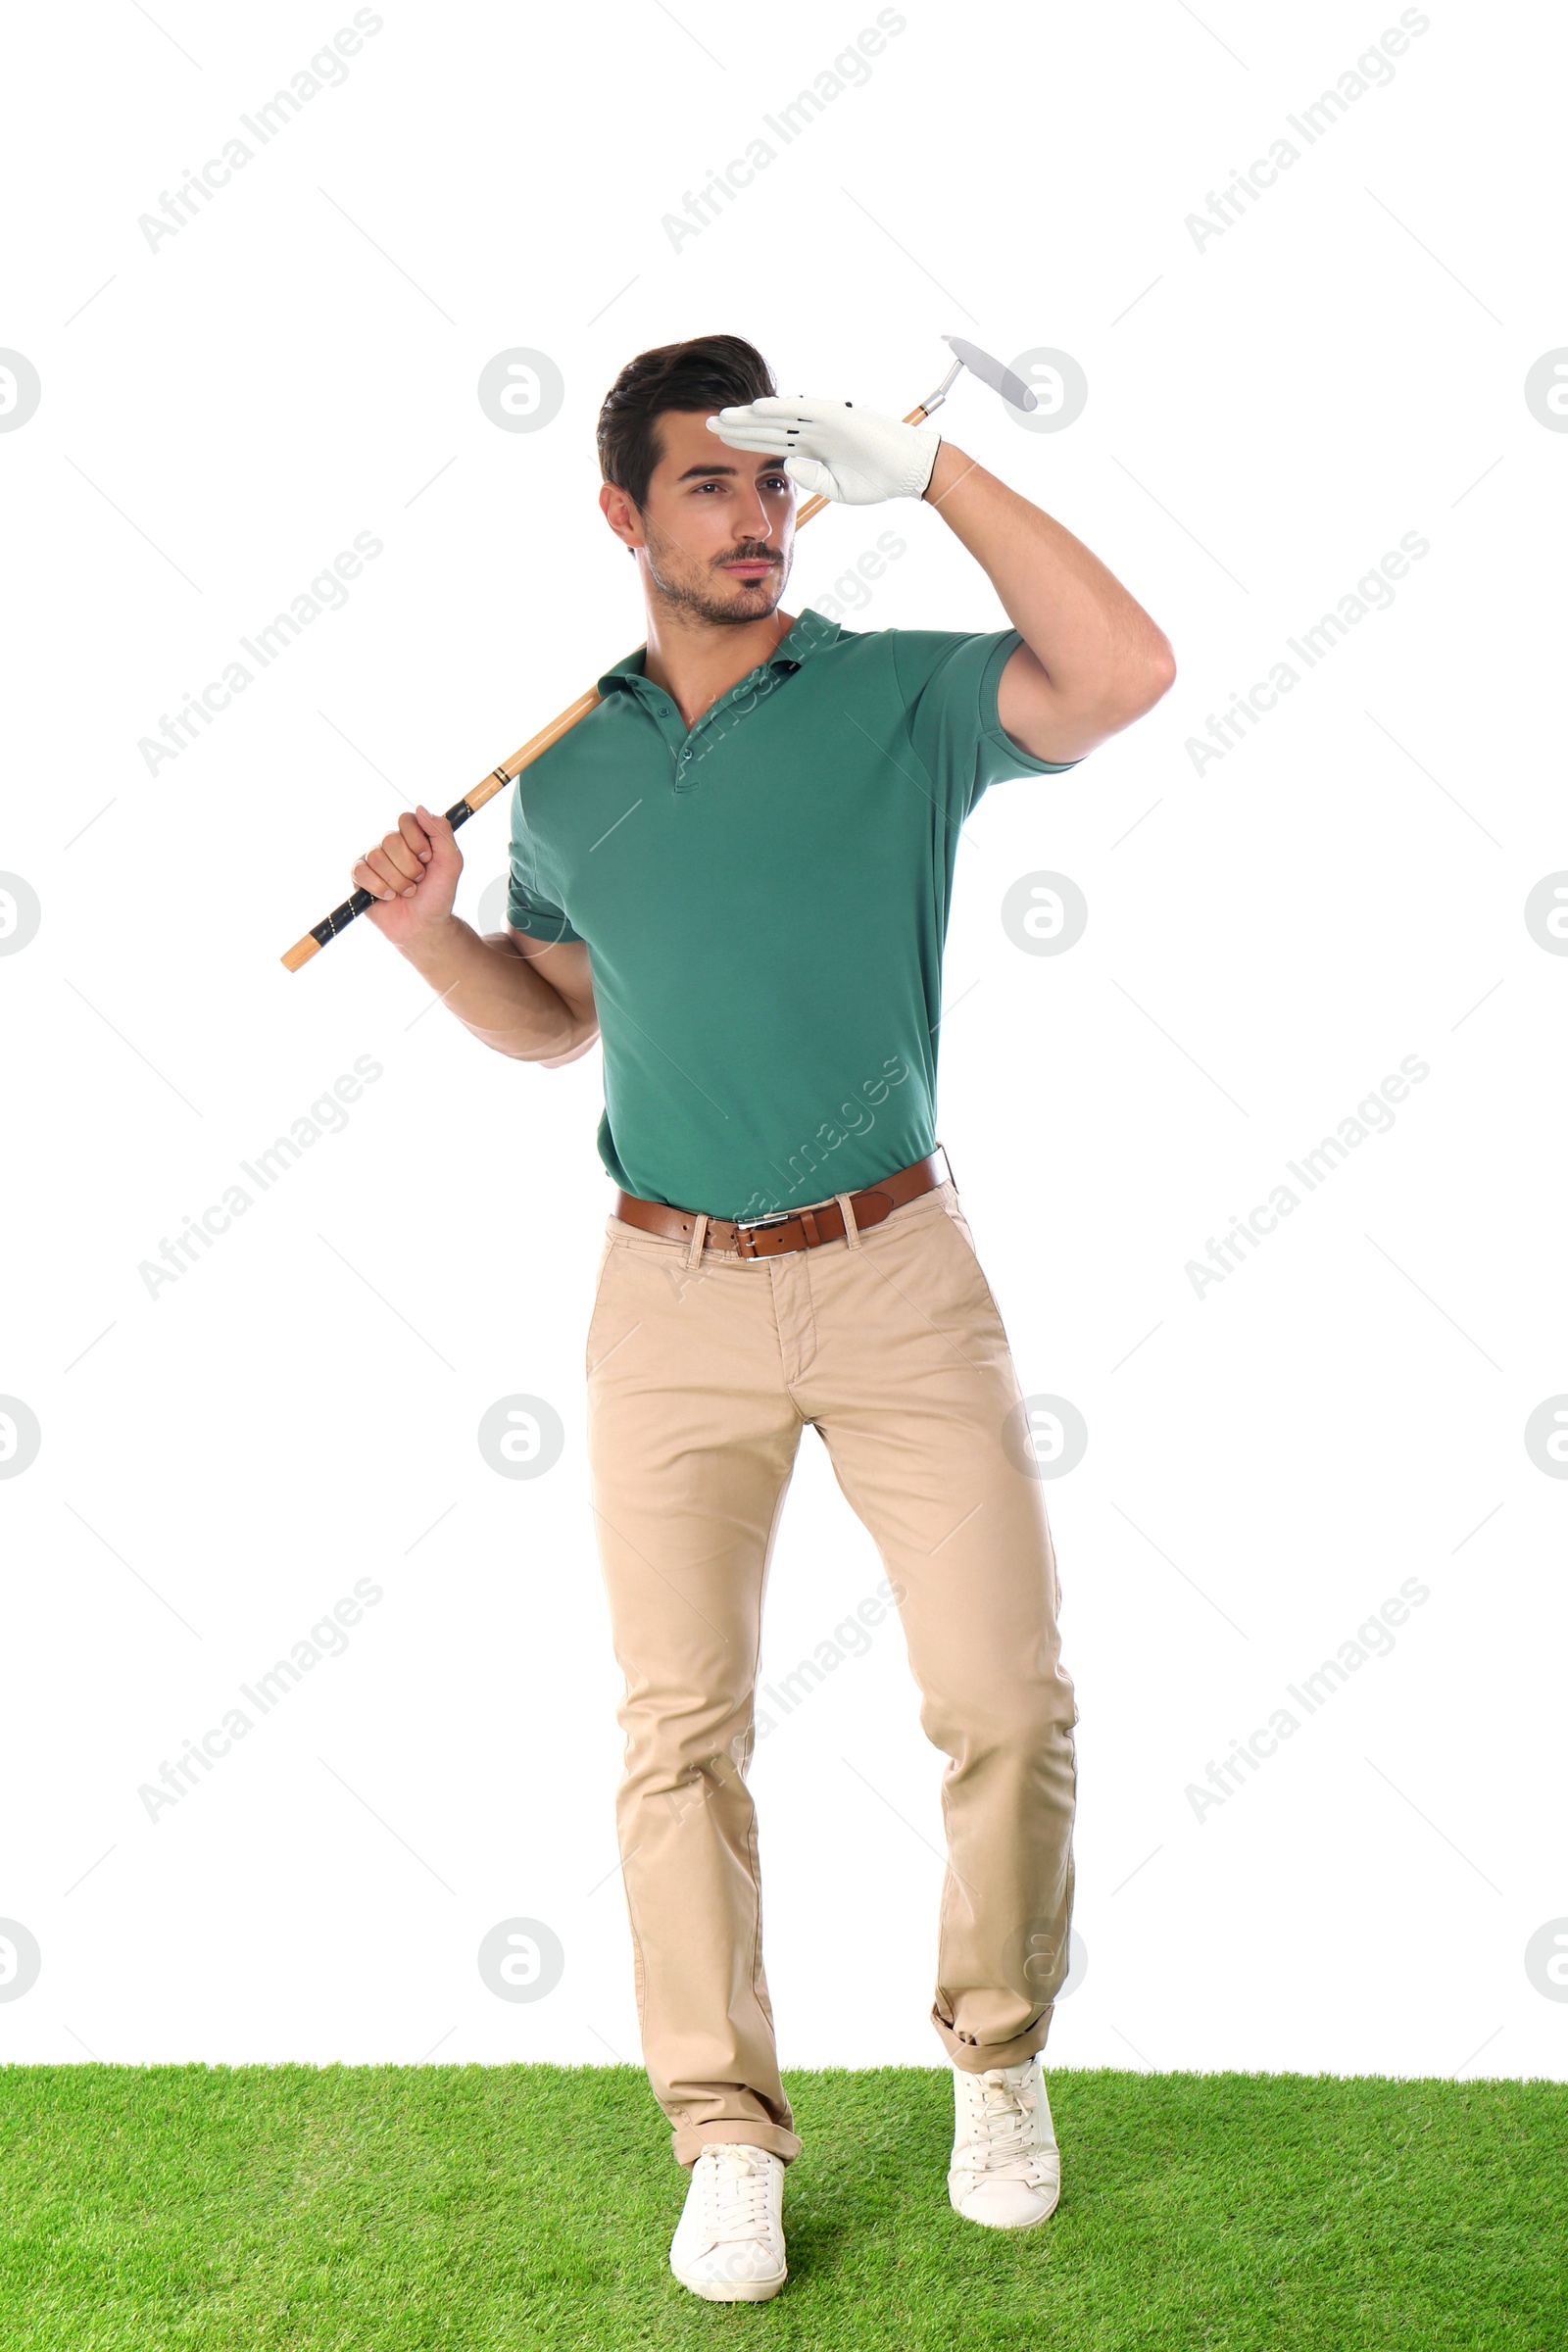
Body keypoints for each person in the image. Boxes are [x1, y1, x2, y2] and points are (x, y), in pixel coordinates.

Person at [352, 333, 1174, 2303]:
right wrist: (430, 935)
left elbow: (1122, 673)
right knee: (677, 1738)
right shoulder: (574, 749)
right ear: (624, 515)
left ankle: (992, 2058)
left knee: (1002, 1702)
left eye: (777, 479)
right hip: (666, 1292)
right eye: (711, 484)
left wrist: (935, 473)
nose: (757, 513)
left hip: (897, 1272)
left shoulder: (893, 696)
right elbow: (555, 1025)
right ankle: (721, 2128)